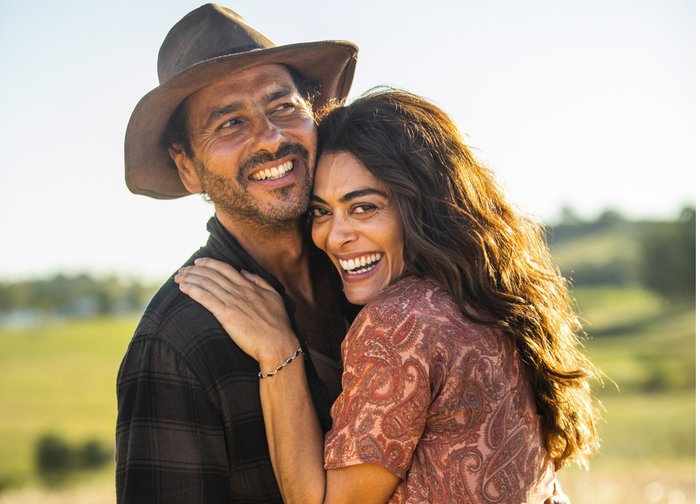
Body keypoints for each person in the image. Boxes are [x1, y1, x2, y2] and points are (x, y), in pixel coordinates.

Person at [175, 89, 600, 503]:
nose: (334, 237)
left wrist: (278, 353)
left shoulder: (399, 324)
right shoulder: (487, 299)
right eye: (321, 212)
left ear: (420, 207)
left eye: (364, 208)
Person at [116, 4, 358, 502]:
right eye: (229, 123)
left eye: (285, 107)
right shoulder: (177, 342)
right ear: (187, 168)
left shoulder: (370, 272)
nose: (271, 138)